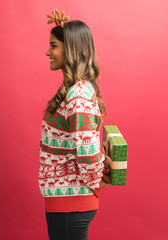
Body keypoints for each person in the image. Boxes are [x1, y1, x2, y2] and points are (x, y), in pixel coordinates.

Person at [39, 9, 109, 240]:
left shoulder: (78, 96)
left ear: (70, 49)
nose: (48, 52)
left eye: (54, 45)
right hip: (65, 201)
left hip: (72, 203)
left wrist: (94, 187)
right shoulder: (74, 92)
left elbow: (88, 154)